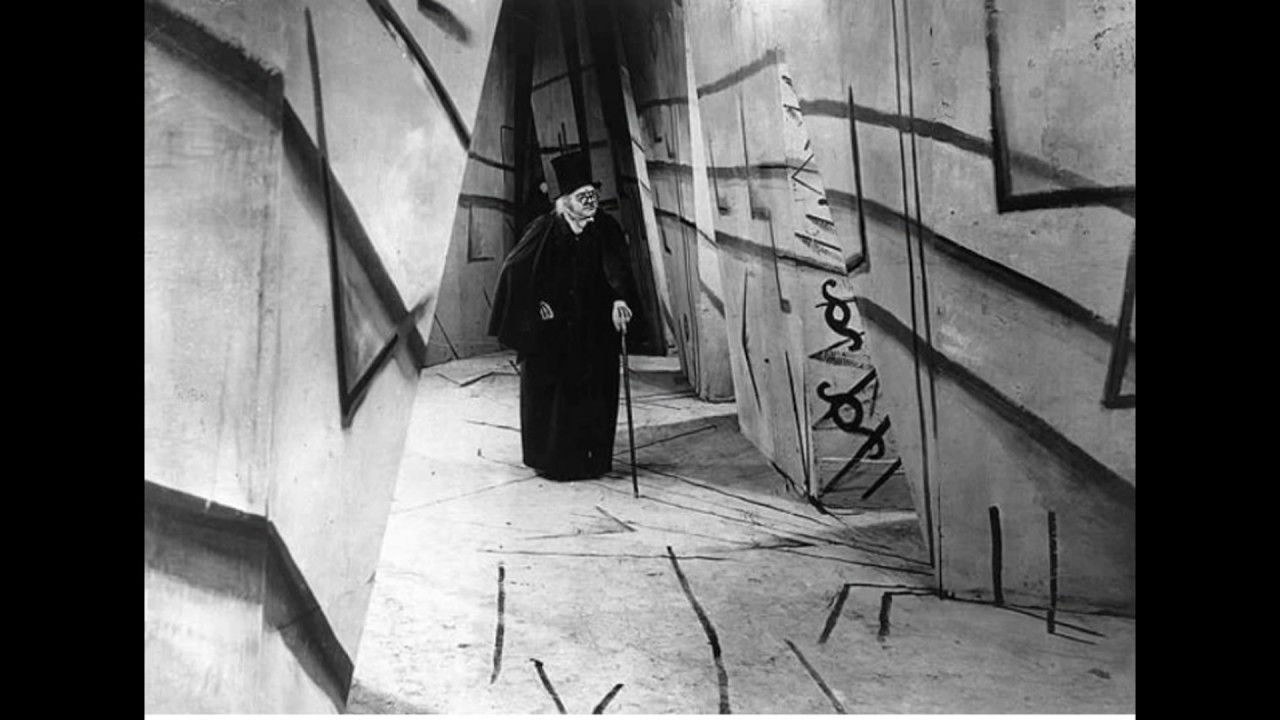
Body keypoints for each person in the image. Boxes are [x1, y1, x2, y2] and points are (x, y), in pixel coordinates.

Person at [488, 150, 639, 480]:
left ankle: (593, 460)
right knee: (556, 398)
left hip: (594, 329)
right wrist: (536, 305)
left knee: (595, 394)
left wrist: (619, 300)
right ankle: (554, 462)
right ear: (565, 201)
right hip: (554, 330)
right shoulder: (544, 229)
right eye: (583, 197)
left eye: (592, 195)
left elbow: (619, 271)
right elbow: (515, 269)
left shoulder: (606, 228)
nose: (591, 202)